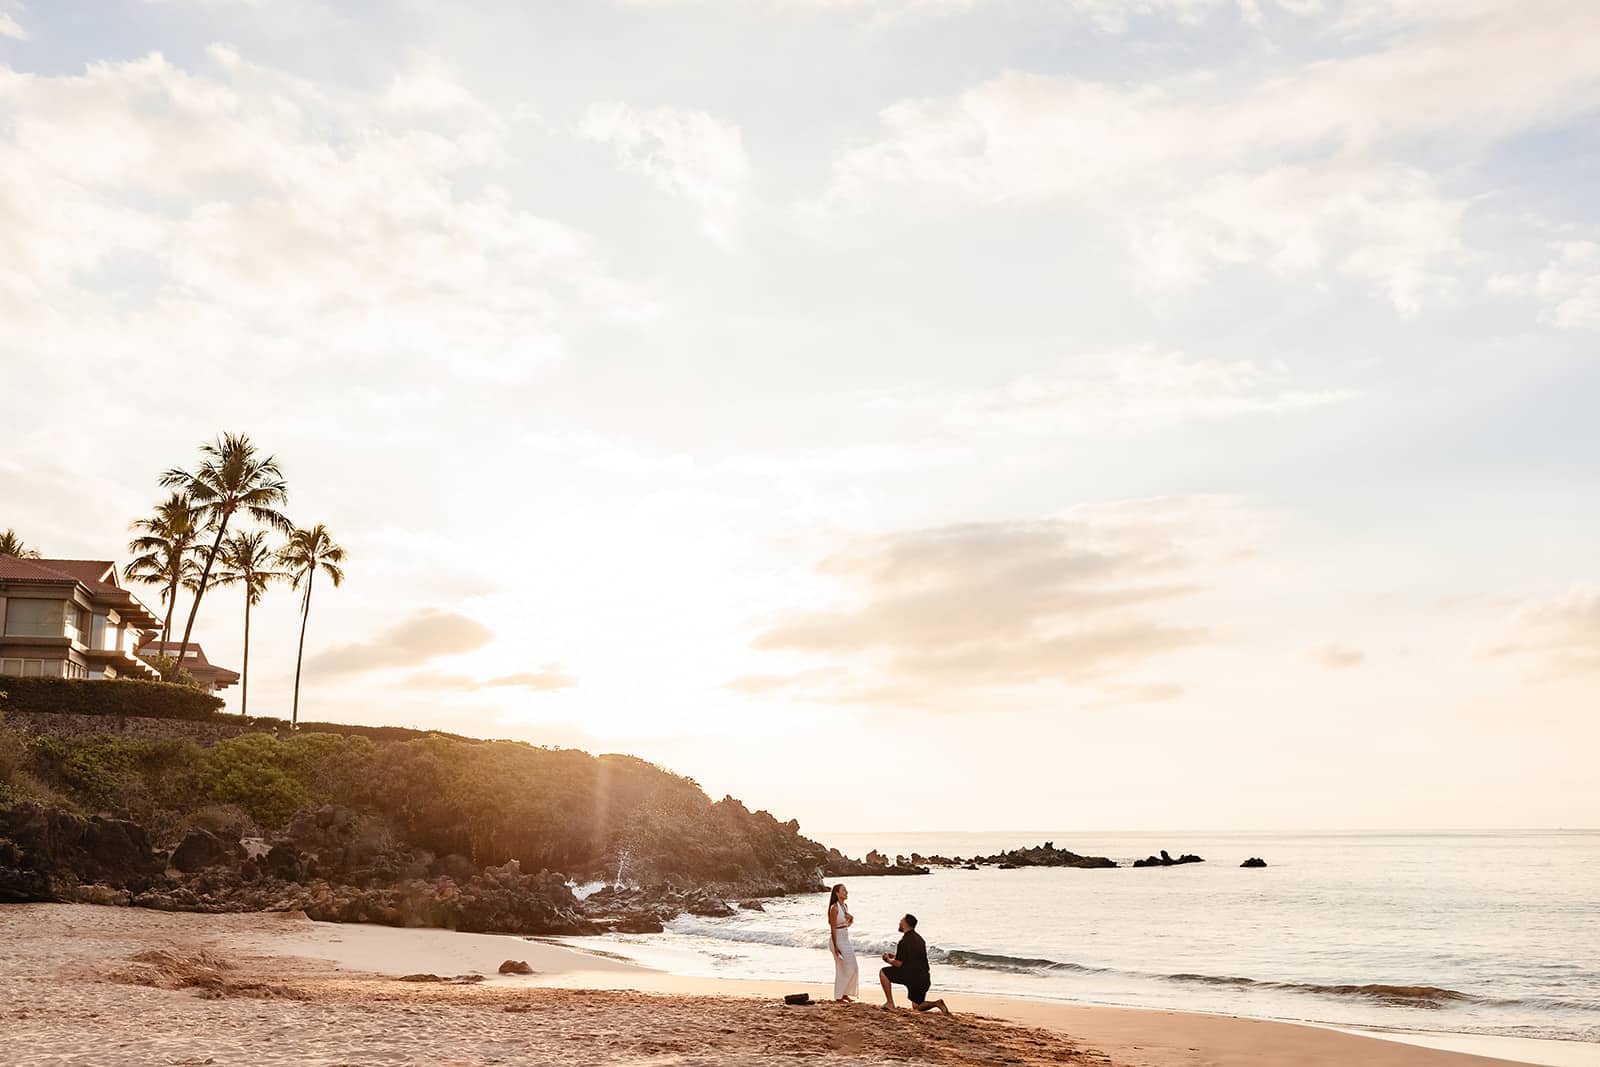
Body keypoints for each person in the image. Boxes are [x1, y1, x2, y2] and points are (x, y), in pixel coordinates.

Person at [879, 913, 950, 1014]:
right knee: (917, 1007)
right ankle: (937, 1003)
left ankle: (890, 1002)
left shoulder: (903, 941)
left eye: (901, 921)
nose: (899, 923)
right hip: (923, 978)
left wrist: (887, 960)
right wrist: (894, 957)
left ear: (905, 924)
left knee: (883, 972)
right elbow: (912, 959)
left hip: (911, 977)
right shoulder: (920, 939)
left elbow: (899, 964)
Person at [827, 884, 858, 1001]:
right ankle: (839, 996)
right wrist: (835, 946)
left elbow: (846, 925)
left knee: (853, 967)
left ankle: (844, 993)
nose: (846, 892)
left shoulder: (845, 906)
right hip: (837, 940)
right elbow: (833, 929)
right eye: (843, 890)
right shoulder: (834, 908)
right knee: (842, 968)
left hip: (845, 939)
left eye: (846, 890)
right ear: (837, 893)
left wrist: (851, 919)